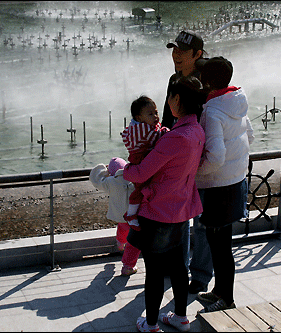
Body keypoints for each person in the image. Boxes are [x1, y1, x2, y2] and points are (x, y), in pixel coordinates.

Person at [123, 76, 205, 332]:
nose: (167, 102)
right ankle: (180, 317)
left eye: (169, 97)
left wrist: (121, 168)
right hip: (182, 210)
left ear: (177, 100)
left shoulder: (174, 138)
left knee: (155, 272)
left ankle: (149, 324)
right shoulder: (198, 131)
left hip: (158, 213)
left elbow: (139, 173)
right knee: (179, 267)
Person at [195, 57, 255, 314]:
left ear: (207, 82)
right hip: (235, 181)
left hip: (218, 187)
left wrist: (197, 173)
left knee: (220, 248)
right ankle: (219, 290)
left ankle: (227, 298)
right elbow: (249, 135)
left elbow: (216, 156)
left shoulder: (213, 110)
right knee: (221, 243)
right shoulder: (237, 102)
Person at [164, 30, 214, 294]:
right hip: (179, 163)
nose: (176, 56)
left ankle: (202, 276)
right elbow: (167, 121)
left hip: (203, 161)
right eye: (174, 50)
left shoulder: (209, 80)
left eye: (182, 52)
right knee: (177, 218)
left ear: (198, 55)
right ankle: (177, 269)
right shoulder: (174, 79)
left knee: (204, 222)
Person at [121, 96, 170, 231]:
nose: (155, 116)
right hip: (140, 160)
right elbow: (157, 135)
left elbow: (125, 135)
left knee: (144, 187)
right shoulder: (144, 130)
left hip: (138, 158)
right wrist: (168, 132)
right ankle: (131, 215)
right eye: (150, 114)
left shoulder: (135, 126)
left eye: (156, 112)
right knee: (140, 189)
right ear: (139, 117)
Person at [89, 157, 141, 276]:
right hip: (134, 215)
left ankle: (120, 243)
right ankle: (128, 266)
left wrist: (103, 169)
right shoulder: (134, 180)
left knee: (122, 227)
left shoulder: (111, 181)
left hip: (119, 215)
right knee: (134, 240)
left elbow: (97, 180)